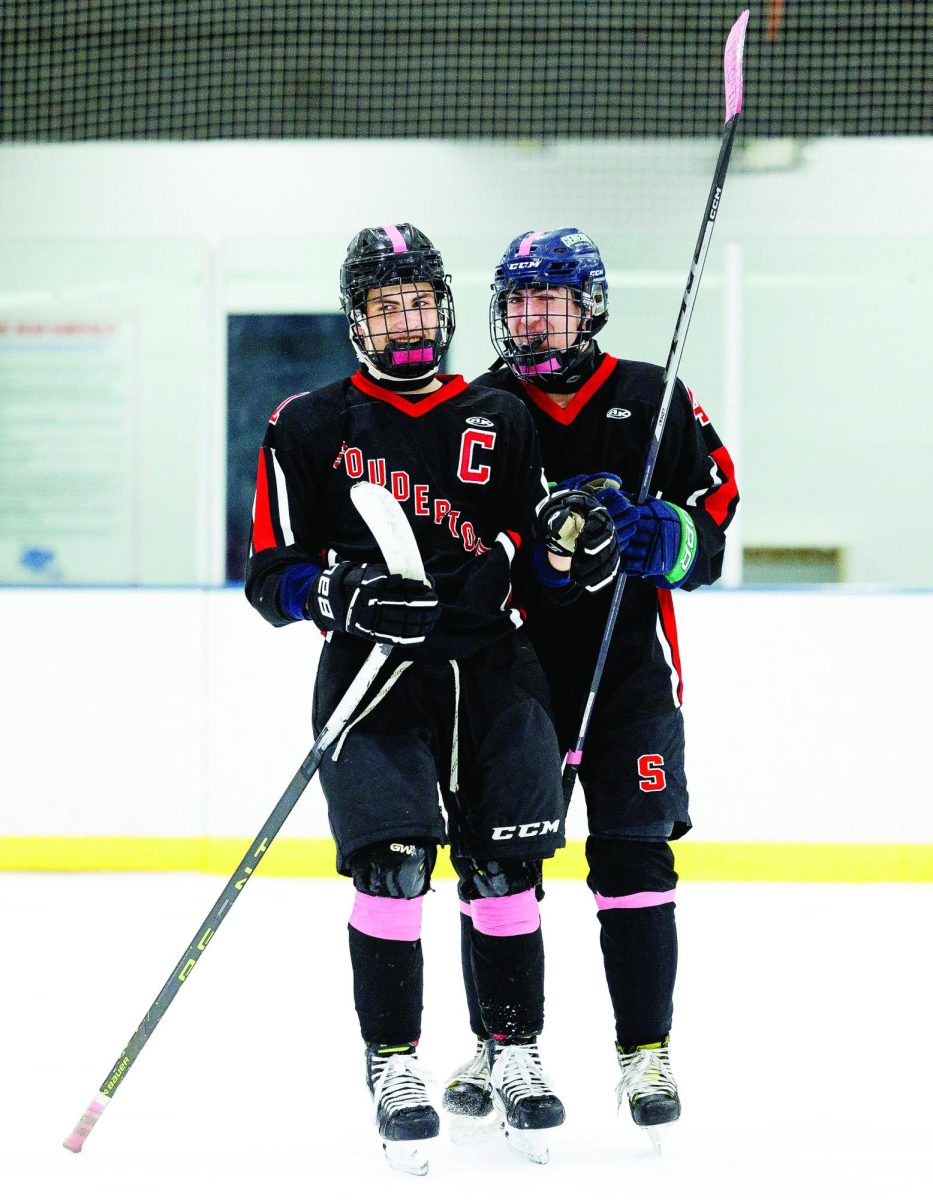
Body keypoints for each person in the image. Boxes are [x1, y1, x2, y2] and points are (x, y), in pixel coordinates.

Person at [244, 223, 616, 1171]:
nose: (407, 322)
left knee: (506, 876)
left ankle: (514, 1047)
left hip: (495, 678)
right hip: (376, 682)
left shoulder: (500, 414)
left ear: (444, 308)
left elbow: (542, 556)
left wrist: (572, 550)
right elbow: (269, 573)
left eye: (418, 302)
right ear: (358, 321)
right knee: (394, 867)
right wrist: (337, 594)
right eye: (386, 306)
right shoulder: (307, 425)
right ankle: (394, 1063)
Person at [443, 228, 739, 1146]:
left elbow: (716, 514)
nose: (535, 317)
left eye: (554, 298)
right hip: (512, 678)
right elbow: (457, 537)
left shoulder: (655, 397)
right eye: (520, 300)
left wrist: (669, 536)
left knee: (633, 860)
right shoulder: (479, 406)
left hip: (628, 676)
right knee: (498, 865)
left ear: (591, 305)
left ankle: (644, 1050)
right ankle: (504, 1045)